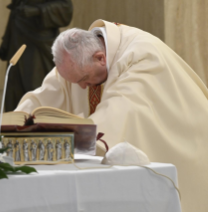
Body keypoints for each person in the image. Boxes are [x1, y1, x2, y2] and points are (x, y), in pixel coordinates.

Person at [15, 19, 208, 210]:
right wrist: (11, 127)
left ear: (100, 58)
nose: (81, 87)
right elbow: (47, 94)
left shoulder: (142, 54)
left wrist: (66, 141)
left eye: (83, 79)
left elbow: (122, 110)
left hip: (185, 144)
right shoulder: (80, 58)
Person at [0, 0, 73, 111]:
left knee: (36, 86)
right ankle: (14, 125)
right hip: (17, 38)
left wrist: (38, 11)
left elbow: (66, 7)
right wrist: (6, 43)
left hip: (38, 42)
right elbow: (15, 10)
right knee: (14, 89)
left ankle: (39, 124)